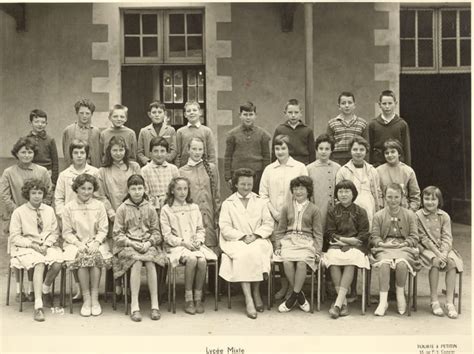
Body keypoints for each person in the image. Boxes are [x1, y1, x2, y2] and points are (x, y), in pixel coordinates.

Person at [0, 137, 52, 301]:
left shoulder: (42, 171)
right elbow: (4, 194)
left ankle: (32, 289)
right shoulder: (9, 172)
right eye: (23, 152)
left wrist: (37, 211)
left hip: (38, 217)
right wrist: (19, 212)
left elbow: (48, 192)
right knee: (19, 252)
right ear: (17, 153)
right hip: (16, 216)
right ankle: (19, 290)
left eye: (30, 152)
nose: (27, 155)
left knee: (37, 250)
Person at [219, 168, 274, 319]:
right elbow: (224, 227)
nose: (246, 187)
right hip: (235, 240)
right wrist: (242, 236)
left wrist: (255, 235)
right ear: (235, 184)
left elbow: (268, 224)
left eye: (249, 184)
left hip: (257, 239)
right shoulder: (228, 203)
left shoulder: (260, 201)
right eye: (243, 184)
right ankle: (249, 297)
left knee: (257, 250)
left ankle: (256, 291)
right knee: (244, 253)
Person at [113, 174, 167, 322]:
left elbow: (157, 232)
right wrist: (131, 243)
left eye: (140, 188)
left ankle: (154, 305)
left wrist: (149, 243)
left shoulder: (150, 208)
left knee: (150, 262)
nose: (137, 192)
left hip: (146, 243)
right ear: (128, 190)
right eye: (133, 189)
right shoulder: (122, 209)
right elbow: (117, 234)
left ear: (144, 189)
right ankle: (135, 306)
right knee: (136, 261)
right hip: (128, 245)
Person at [260, 134, 308, 299]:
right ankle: (284, 286)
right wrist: (275, 213)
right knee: (279, 253)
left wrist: (291, 213)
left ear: (289, 149)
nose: (280, 151)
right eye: (277, 148)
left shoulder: (299, 167)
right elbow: (263, 195)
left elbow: (304, 193)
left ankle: (294, 289)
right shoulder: (269, 169)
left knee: (293, 252)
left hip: (295, 218)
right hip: (275, 218)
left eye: (283, 148)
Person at [160, 176, 217, 315]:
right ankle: (188, 299)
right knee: (192, 260)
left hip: (194, 245)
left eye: (185, 188)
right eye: (178, 189)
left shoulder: (194, 207)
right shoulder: (167, 209)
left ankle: (198, 298)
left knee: (202, 261)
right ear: (172, 191)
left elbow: (200, 229)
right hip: (176, 246)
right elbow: (167, 235)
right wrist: (183, 242)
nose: (182, 192)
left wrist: (198, 240)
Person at [9, 179, 63, 321]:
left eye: (40, 193)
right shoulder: (19, 212)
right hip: (26, 247)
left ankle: (45, 289)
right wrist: (32, 245)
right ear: (28, 194)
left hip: (45, 245)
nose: (37, 196)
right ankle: (38, 306)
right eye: (33, 193)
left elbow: (54, 232)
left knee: (58, 263)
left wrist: (46, 244)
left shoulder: (49, 210)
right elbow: (15, 236)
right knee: (39, 263)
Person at [62, 173, 112, 317]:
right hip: (75, 243)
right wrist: (78, 243)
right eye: (82, 188)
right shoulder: (68, 207)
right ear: (76, 189)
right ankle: (86, 298)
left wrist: (96, 242)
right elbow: (66, 232)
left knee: (94, 254)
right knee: (82, 255)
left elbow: (103, 229)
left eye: (89, 188)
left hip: (97, 242)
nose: (86, 192)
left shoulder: (99, 205)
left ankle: (95, 299)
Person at [369, 183, 421, 316]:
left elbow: (415, 237)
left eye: (396, 197)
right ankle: (383, 301)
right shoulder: (379, 215)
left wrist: (405, 243)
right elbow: (374, 237)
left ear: (402, 197)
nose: (393, 200)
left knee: (402, 263)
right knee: (384, 264)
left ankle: (400, 295)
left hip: (403, 247)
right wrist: (382, 243)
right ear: (384, 197)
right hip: (384, 248)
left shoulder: (410, 215)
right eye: (390, 197)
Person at [274, 176, 322, 313]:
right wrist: (278, 246)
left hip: (306, 241)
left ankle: (293, 297)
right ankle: (299, 296)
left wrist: (317, 251)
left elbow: (318, 233)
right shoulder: (286, 208)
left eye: (302, 188)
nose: (298, 191)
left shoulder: (314, 209)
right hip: (289, 240)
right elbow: (280, 230)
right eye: (295, 188)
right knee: (287, 261)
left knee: (302, 262)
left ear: (308, 191)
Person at [322, 180, 370, 319]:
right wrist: (346, 240)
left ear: (353, 193)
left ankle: (337, 304)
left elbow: (364, 233)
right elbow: (329, 232)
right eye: (340, 191)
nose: (343, 194)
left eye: (347, 191)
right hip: (336, 244)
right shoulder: (332, 211)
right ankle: (342, 303)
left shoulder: (360, 211)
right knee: (333, 259)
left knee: (351, 259)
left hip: (356, 246)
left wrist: (352, 242)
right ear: (336, 194)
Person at [416, 186, 463, 319]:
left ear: (439, 201)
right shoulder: (418, 215)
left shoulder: (444, 216)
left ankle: (449, 302)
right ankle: (434, 300)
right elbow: (423, 238)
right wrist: (437, 253)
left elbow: (447, 237)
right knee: (435, 262)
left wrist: (445, 252)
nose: (430, 202)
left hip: (444, 249)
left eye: (433, 199)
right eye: (426, 199)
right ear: (422, 200)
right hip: (427, 249)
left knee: (452, 263)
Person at [178, 137, 220, 256]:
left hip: (209, 215)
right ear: (188, 150)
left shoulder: (211, 168)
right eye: (194, 149)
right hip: (192, 216)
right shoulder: (181, 171)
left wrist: (217, 215)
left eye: (200, 149)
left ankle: (213, 275)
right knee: (196, 253)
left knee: (212, 251)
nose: (197, 152)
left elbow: (216, 194)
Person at [336, 136, 383, 229]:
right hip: (350, 206)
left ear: (366, 151)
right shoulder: (343, 170)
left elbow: (378, 192)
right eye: (355, 149)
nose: (358, 152)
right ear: (350, 151)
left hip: (369, 206)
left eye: (361, 149)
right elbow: (338, 193)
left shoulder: (372, 170)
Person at [224, 101, 271, 193]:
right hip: (237, 175)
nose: (248, 117)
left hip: (257, 175)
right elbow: (228, 157)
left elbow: (266, 157)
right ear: (240, 115)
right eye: (245, 114)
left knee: (256, 202)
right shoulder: (232, 135)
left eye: (251, 114)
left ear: (255, 115)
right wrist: (228, 176)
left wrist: (266, 176)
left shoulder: (263, 135)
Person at [306, 134, 341, 230]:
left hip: (333, 207)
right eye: (321, 148)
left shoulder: (337, 167)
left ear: (331, 150)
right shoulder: (309, 168)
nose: (323, 152)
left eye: (327, 149)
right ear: (316, 150)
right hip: (317, 204)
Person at [368, 90, 411, 167]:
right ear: (379, 104)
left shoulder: (402, 124)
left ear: (395, 104)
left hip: (397, 165)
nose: (387, 106)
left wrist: (407, 167)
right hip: (378, 165)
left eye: (390, 103)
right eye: (384, 103)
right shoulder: (373, 124)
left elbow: (406, 148)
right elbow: (369, 148)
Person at [376, 138, 420, 212]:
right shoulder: (378, 171)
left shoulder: (408, 171)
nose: (390, 155)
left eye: (393, 152)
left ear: (399, 153)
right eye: (387, 153)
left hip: (404, 210)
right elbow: (377, 194)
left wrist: (410, 212)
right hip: (384, 211)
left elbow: (415, 196)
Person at [326, 92, 369, 166]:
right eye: (343, 103)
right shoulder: (332, 123)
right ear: (339, 106)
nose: (347, 105)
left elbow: (367, 145)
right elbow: (328, 145)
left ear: (354, 105)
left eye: (349, 103)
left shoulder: (362, 123)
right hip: (337, 159)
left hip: (356, 157)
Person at [271, 98, 315, 165]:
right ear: (285, 113)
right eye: (290, 112)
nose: (293, 115)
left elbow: (312, 153)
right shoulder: (280, 129)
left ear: (301, 113)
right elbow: (274, 151)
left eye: (296, 112)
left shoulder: (307, 130)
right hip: (285, 164)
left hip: (303, 164)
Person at [62, 99, 101, 168]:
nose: (84, 116)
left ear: (91, 114)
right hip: (73, 168)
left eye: (87, 113)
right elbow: (66, 151)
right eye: (81, 113)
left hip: (91, 168)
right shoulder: (69, 130)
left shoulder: (96, 132)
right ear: (77, 113)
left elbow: (98, 153)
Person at [175, 100, 216, 167]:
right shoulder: (180, 132)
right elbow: (178, 155)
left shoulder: (207, 131)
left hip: (203, 168)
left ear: (200, 113)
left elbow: (211, 154)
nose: (192, 113)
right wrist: (178, 169)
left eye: (194, 110)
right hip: (185, 168)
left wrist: (211, 168)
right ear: (185, 115)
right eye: (188, 111)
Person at [141, 137, 179, 209]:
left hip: (171, 207)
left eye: (162, 151)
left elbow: (177, 190)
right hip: (152, 208)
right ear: (150, 153)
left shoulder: (173, 169)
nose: (159, 154)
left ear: (167, 153)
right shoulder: (144, 170)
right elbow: (145, 193)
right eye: (155, 151)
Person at [137, 100, 177, 166]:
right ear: (149, 114)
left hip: (166, 164)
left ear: (164, 114)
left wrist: (163, 160)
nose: (157, 115)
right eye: (154, 112)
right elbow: (139, 152)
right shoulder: (144, 131)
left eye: (160, 112)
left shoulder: (171, 130)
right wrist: (147, 162)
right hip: (149, 165)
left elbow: (174, 150)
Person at [27, 109, 59, 186]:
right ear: (30, 123)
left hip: (47, 173)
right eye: (36, 122)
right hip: (30, 173)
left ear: (46, 123)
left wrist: (54, 181)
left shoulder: (50, 140)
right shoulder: (26, 140)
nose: (40, 124)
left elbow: (55, 162)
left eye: (43, 122)